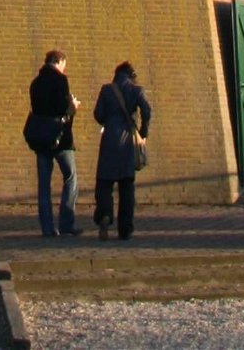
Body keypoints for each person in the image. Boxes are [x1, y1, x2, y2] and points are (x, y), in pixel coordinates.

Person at [25, 47, 82, 239]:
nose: (65, 70)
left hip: (41, 139)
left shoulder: (35, 83)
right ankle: (66, 223)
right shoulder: (60, 80)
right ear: (59, 62)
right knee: (70, 177)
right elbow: (61, 110)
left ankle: (47, 228)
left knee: (44, 185)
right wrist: (72, 108)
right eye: (64, 65)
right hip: (60, 138)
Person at [93, 60, 151, 241]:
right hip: (127, 142)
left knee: (104, 184)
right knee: (126, 187)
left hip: (109, 139)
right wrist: (143, 131)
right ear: (131, 75)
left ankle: (105, 215)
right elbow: (147, 110)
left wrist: (108, 122)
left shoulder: (106, 89)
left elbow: (98, 114)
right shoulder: (136, 90)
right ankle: (125, 229)